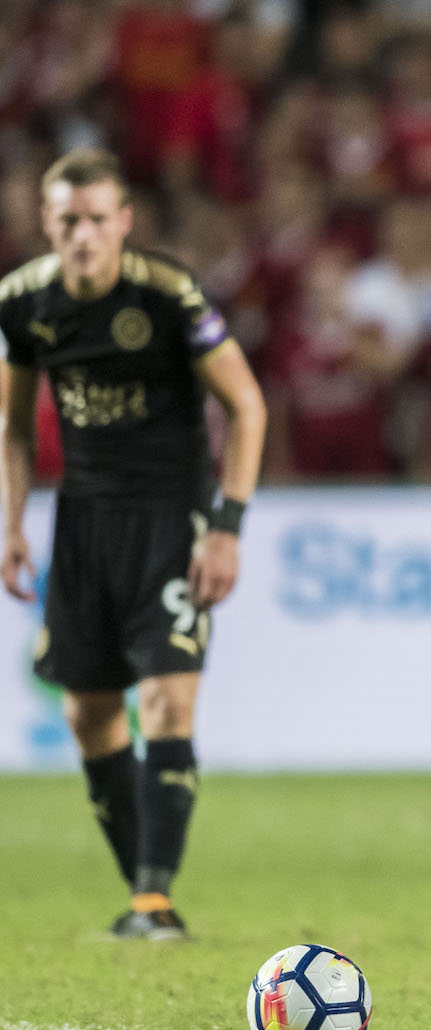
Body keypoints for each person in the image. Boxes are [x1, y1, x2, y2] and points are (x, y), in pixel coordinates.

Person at [0, 148, 267, 940]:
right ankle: (144, 894)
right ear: (45, 224)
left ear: (123, 222)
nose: (82, 235)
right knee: (89, 713)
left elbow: (247, 406)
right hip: (81, 521)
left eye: (95, 219)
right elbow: (14, 427)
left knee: (165, 698)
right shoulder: (21, 301)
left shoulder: (167, 295)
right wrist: (12, 522)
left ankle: (155, 898)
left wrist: (226, 526)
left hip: (170, 517)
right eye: (66, 221)